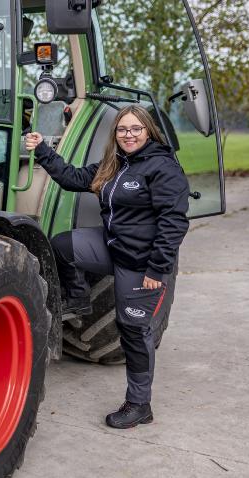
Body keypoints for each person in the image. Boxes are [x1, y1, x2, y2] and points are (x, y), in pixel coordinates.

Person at [25, 104, 190, 429]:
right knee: (61, 245)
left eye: (135, 129)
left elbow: (174, 223)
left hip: (141, 264)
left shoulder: (162, 168)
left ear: (148, 131)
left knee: (133, 331)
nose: (128, 135)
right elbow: (72, 178)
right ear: (116, 134)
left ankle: (139, 404)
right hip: (112, 246)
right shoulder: (115, 165)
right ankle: (78, 296)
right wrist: (43, 149)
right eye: (122, 130)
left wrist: (158, 270)